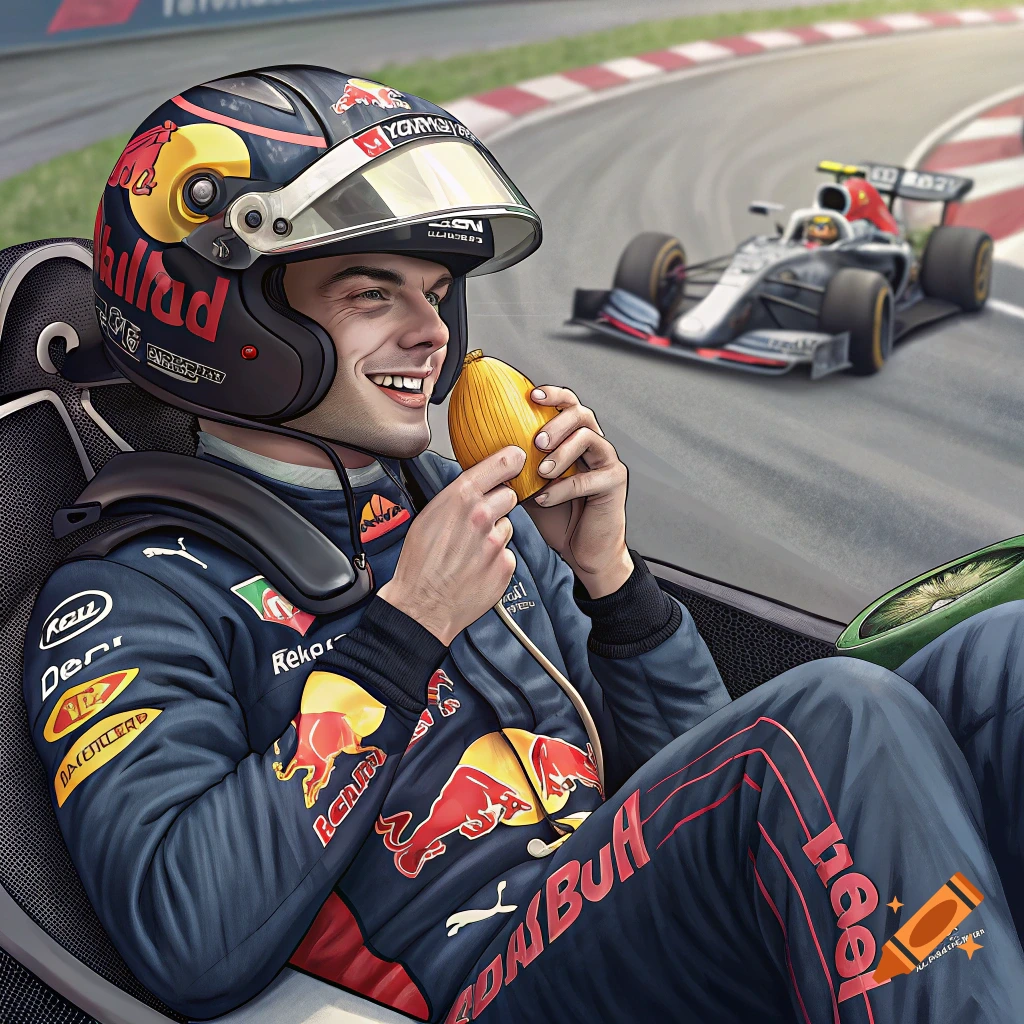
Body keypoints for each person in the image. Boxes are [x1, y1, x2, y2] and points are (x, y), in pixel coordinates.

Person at [22, 67, 1024, 1024]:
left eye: (435, 292)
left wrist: (612, 585)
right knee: (827, 717)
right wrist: (402, 636)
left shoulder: (455, 509)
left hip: (618, 913)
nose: (431, 334)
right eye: (373, 296)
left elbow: (692, 773)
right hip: (482, 984)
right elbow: (187, 940)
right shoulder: (127, 600)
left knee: (1001, 656)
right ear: (227, 314)